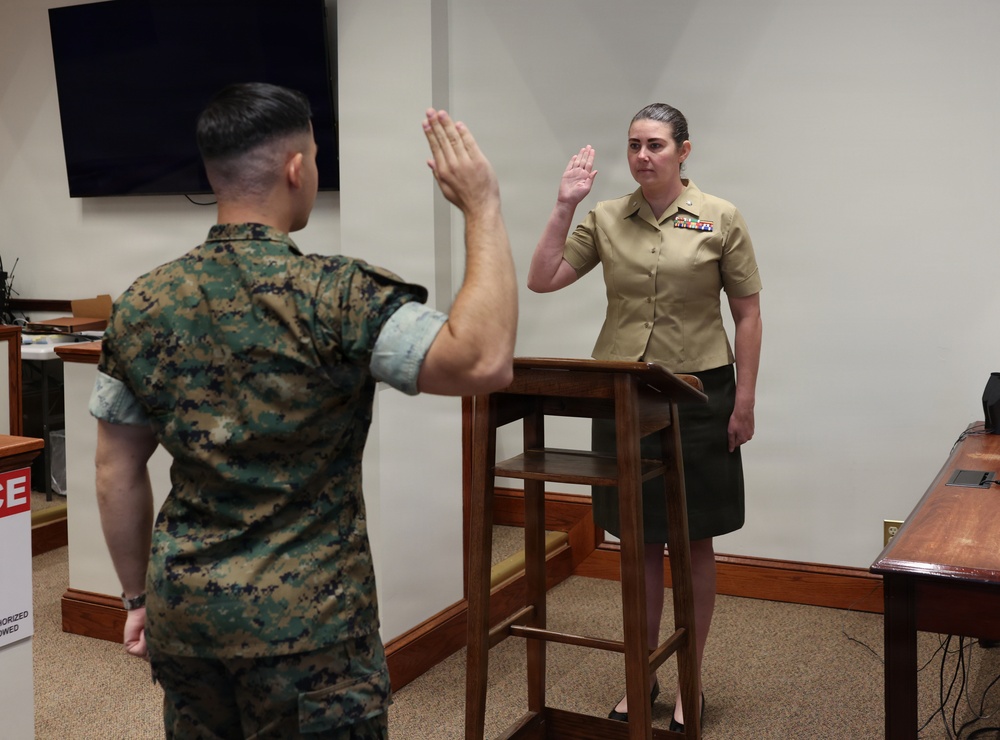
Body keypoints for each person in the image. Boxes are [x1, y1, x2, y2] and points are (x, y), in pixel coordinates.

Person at [90, 82, 517, 739]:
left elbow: (114, 474)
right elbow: (483, 362)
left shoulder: (142, 304)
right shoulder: (336, 295)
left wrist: (138, 599)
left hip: (188, 618)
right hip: (312, 634)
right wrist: (482, 207)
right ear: (297, 167)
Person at [527, 102, 762, 732]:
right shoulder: (606, 218)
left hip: (700, 397)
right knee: (638, 542)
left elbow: (746, 313)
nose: (642, 155)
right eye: (634, 144)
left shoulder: (721, 218)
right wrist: (564, 205)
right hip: (625, 397)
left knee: (694, 540)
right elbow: (543, 278)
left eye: (655, 144)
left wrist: (744, 401)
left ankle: (689, 678)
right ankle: (643, 670)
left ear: (684, 151)